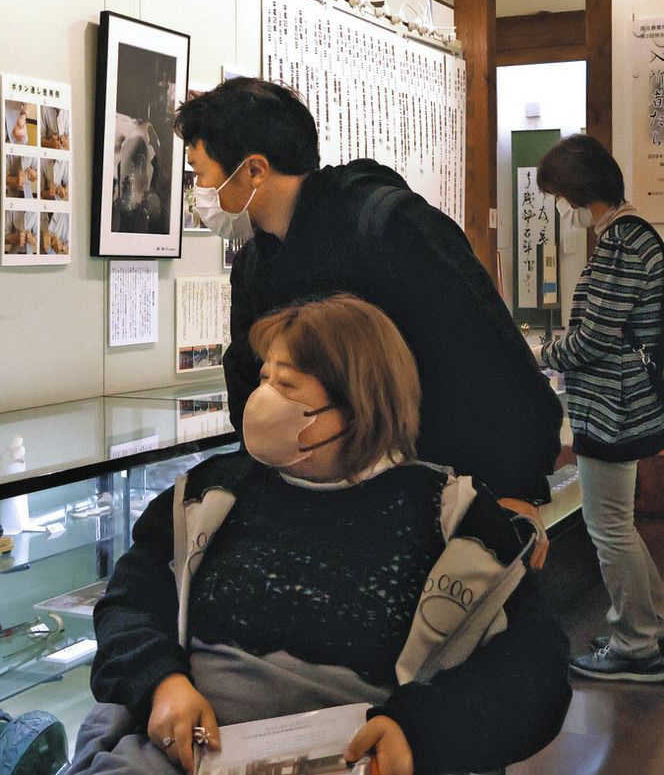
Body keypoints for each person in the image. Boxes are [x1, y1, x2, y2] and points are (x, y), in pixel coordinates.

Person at [68, 296, 571, 775]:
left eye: (286, 385)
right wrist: (162, 682)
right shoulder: (210, 495)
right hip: (190, 752)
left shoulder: (451, 515)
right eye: (264, 377)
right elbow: (130, 601)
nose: (262, 398)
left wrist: (418, 731)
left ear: (359, 405)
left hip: (361, 757)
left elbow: (534, 669)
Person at [175, 78, 563, 538]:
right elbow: (249, 379)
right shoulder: (256, 264)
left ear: (254, 170)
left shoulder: (390, 225)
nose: (199, 189)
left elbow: (485, 356)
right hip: (329, 504)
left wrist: (511, 488)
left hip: (440, 500)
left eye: (201, 173)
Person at [532, 134, 664, 681]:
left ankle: (637, 644)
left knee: (606, 523)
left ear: (581, 193)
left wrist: (543, 354)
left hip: (614, 407)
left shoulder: (621, 245)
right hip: (629, 403)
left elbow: (594, 340)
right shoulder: (636, 237)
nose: (562, 209)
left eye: (561, 197)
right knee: (617, 523)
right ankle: (649, 627)